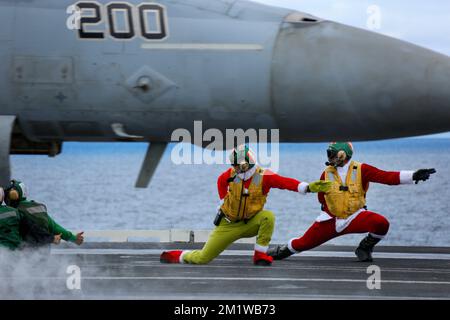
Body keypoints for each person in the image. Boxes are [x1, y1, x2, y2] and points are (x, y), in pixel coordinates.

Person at [160, 145, 332, 266]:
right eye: (233, 164)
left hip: (250, 222)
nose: (235, 168)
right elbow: (220, 182)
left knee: (268, 217)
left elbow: (285, 182)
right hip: (228, 223)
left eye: (238, 164)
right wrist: (222, 202)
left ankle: (260, 255)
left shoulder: (262, 176)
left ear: (246, 163)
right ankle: (176, 255)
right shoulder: (230, 175)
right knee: (202, 258)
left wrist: (307, 187)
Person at [268, 142, 436, 262]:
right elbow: (321, 197)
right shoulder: (326, 173)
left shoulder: (362, 169)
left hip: (355, 216)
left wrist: (413, 175)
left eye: (331, 153)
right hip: (331, 219)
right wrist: (327, 212)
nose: (329, 157)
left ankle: (365, 247)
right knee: (302, 244)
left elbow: (386, 177)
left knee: (381, 224)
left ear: (342, 155)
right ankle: (283, 251)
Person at [4, 180, 84, 246]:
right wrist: (73, 238)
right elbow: (55, 227)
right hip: (44, 251)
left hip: (25, 252)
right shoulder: (40, 208)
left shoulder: (15, 211)